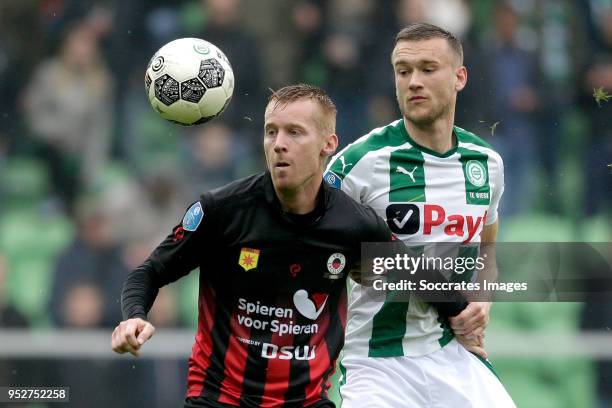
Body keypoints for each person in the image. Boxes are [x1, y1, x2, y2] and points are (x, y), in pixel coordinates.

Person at [111, 84, 396, 408]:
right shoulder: (223, 211)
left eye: (294, 133)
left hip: (305, 402)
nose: (279, 145)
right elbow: (150, 271)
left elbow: (409, 272)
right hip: (219, 399)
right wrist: (133, 316)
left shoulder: (354, 224)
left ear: (328, 144)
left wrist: (460, 308)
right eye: (271, 132)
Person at [325, 23, 516, 407]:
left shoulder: (486, 164)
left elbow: (487, 254)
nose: (413, 81)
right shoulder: (359, 163)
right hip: (379, 365)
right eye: (403, 71)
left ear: (459, 77)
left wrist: (482, 297)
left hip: (453, 355)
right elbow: (312, 246)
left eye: (428, 69)